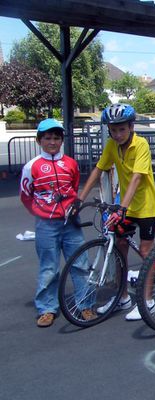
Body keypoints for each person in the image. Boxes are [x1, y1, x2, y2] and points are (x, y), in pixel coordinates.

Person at [76, 103, 155, 321]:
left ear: (131, 126)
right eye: (113, 130)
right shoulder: (112, 145)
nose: (118, 134)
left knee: (145, 252)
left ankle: (148, 301)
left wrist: (121, 207)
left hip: (145, 206)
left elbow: (137, 178)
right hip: (126, 206)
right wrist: (80, 198)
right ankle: (121, 298)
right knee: (119, 247)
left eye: (122, 129)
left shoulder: (141, 144)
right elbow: (99, 169)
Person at [20, 119, 96, 327]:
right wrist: (41, 213)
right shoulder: (31, 166)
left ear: (62, 140)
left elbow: (73, 186)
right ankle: (46, 309)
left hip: (71, 223)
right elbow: (26, 195)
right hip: (46, 225)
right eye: (47, 138)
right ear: (39, 141)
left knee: (80, 265)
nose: (52, 142)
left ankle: (85, 304)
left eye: (56, 138)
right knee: (49, 268)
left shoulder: (70, 163)